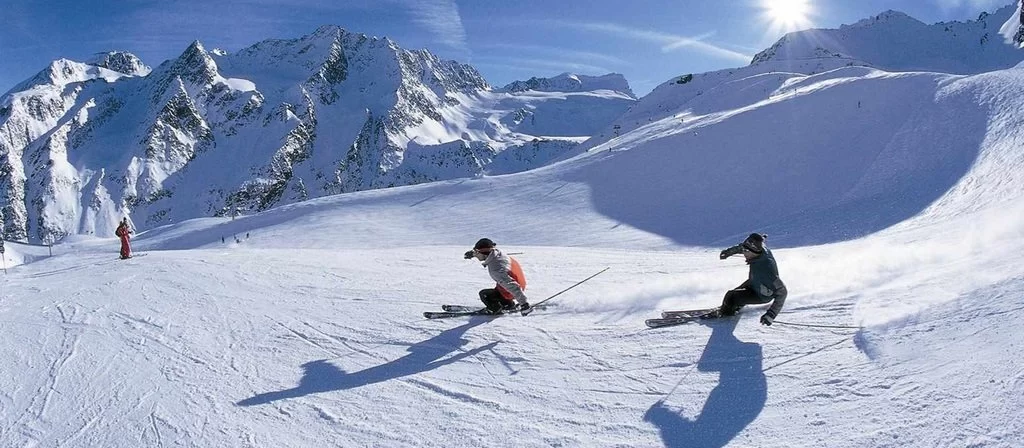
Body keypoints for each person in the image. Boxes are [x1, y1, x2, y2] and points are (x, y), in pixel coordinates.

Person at [716, 233, 787, 326]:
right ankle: (733, 305)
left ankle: (725, 315)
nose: (744, 252)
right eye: (744, 250)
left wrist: (771, 314)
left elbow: (783, 292)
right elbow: (743, 247)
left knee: (731, 296)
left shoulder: (767, 269)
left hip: (762, 294)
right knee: (734, 294)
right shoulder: (760, 250)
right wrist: (728, 252)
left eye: (746, 251)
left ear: (754, 252)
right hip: (754, 283)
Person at [463, 238, 530, 313]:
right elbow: (485, 251)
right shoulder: (497, 254)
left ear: (482, 252)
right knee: (500, 287)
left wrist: (524, 304)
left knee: (484, 294)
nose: (476, 254)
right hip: (518, 282)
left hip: (514, 289)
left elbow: (512, 286)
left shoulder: (496, 269)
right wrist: (472, 254)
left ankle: (495, 309)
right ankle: (508, 304)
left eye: (476, 252)